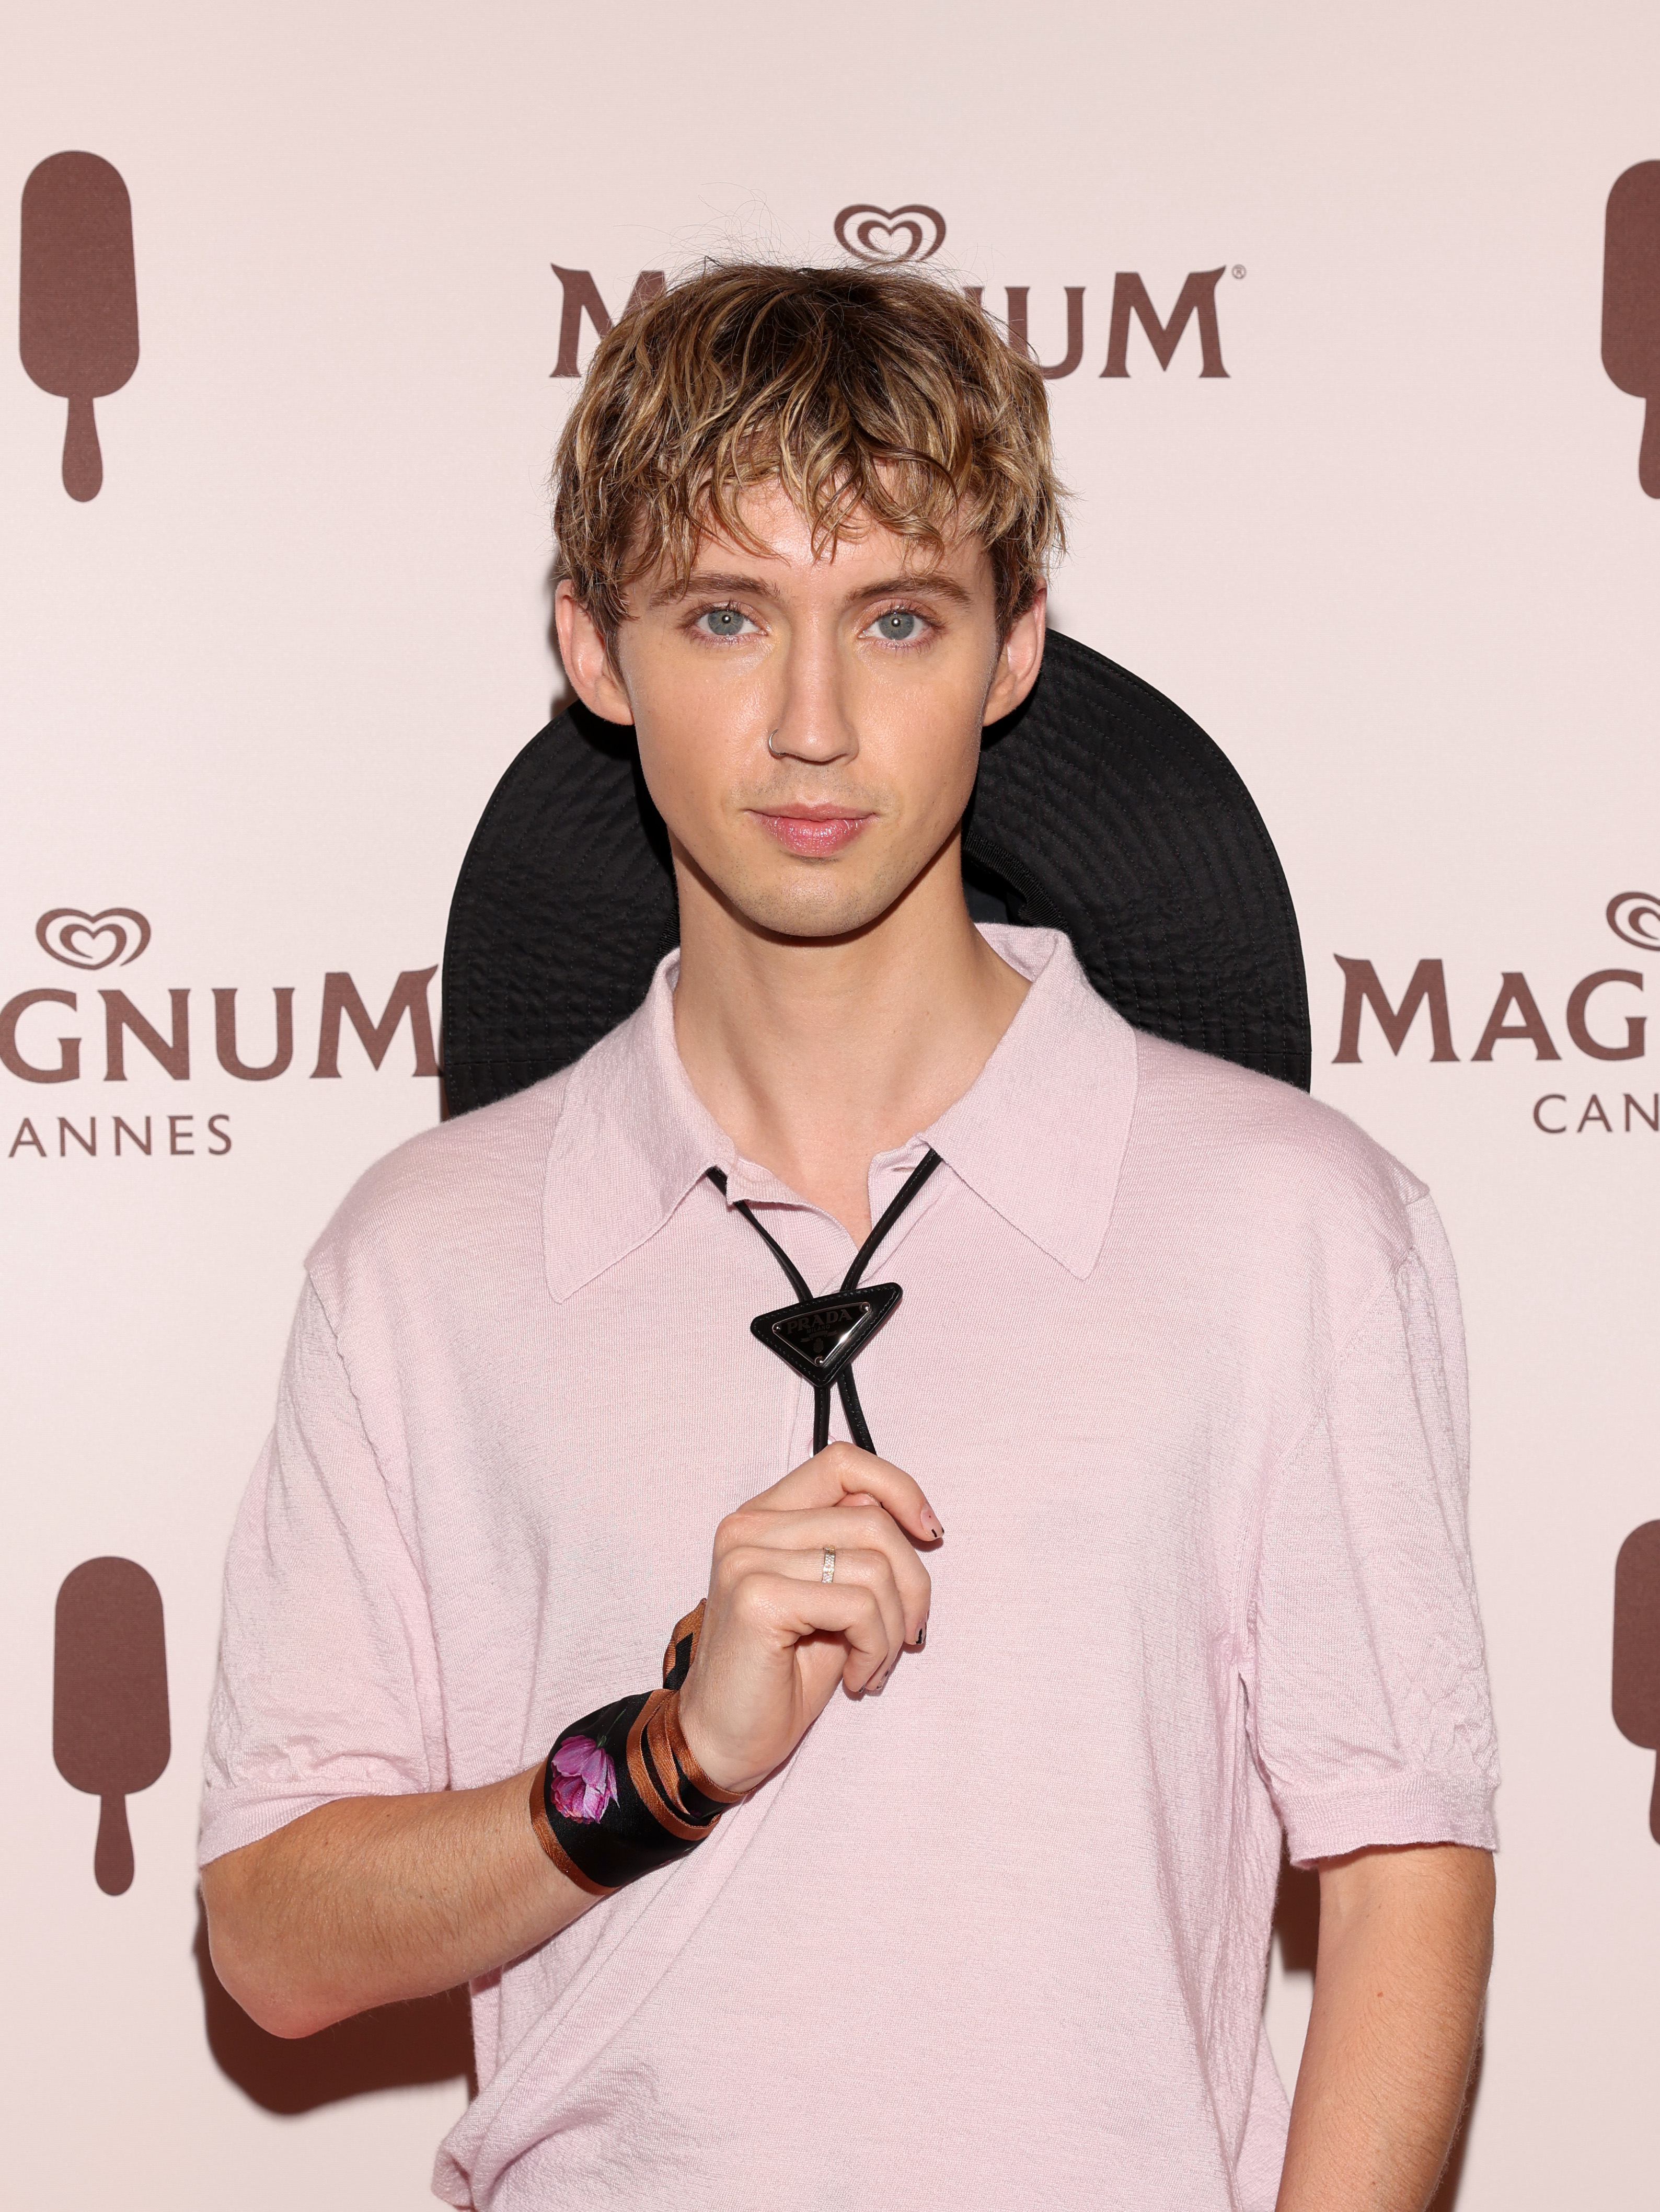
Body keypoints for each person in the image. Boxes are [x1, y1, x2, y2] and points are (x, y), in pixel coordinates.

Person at [199, 262, 1498, 2212]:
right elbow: (275, 1943)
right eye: (728, 615)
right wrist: (658, 1765)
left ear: (1010, 649)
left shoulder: (1292, 1226)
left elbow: (1405, 1878)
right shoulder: (422, 1259)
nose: (812, 725)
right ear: (597, 646)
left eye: (894, 617)